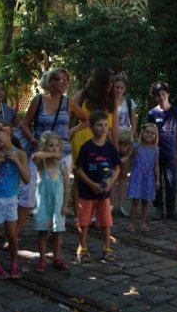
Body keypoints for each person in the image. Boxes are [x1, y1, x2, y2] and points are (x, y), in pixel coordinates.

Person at [19, 68, 85, 237]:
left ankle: (53, 230)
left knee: (57, 192)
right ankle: (14, 234)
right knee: (30, 192)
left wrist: (72, 131)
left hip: (62, 155)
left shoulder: (68, 102)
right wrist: (33, 140)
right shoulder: (38, 100)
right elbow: (25, 124)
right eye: (59, 79)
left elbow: (87, 119)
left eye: (66, 80)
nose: (63, 82)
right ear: (49, 81)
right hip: (39, 156)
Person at [0, 121, 30, 279]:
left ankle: (14, 264)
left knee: (12, 234)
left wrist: (15, 160)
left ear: (8, 131)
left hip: (10, 198)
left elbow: (27, 179)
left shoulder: (20, 153)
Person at [70, 67, 119, 219]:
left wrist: (115, 149)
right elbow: (66, 110)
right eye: (108, 82)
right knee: (81, 177)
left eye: (112, 82)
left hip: (103, 142)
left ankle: (99, 216)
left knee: (102, 176)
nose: (111, 85)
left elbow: (114, 128)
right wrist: (72, 130)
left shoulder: (112, 101)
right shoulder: (83, 95)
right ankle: (80, 217)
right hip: (81, 140)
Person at [74, 110, 121, 263]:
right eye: (99, 125)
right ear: (91, 128)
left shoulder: (110, 148)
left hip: (104, 193)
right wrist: (91, 184)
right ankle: (82, 247)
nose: (103, 128)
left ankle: (106, 247)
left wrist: (110, 183)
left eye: (106, 125)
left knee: (106, 222)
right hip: (87, 192)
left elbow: (117, 167)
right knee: (84, 221)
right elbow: (78, 169)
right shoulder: (86, 148)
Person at [32, 131, 71, 273]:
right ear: (44, 147)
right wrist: (50, 154)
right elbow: (35, 156)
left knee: (57, 233)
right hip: (43, 205)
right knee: (42, 232)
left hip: (57, 205)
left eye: (56, 146)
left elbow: (66, 187)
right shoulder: (41, 164)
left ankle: (57, 258)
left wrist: (66, 205)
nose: (54, 149)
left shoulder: (62, 166)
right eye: (50, 146)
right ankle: (42, 259)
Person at [147, 81, 177, 221]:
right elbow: (148, 133)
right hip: (155, 153)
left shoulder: (176, 112)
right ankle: (158, 209)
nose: (161, 97)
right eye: (158, 95)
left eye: (163, 93)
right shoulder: (152, 113)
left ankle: (171, 210)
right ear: (155, 97)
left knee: (171, 181)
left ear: (168, 94)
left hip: (171, 153)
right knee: (156, 181)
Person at [126, 122, 159, 233]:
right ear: (142, 133)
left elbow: (156, 165)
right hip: (137, 177)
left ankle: (143, 223)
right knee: (135, 201)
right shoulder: (136, 146)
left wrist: (158, 180)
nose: (149, 134)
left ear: (155, 136)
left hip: (148, 178)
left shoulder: (155, 150)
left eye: (152, 133)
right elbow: (128, 158)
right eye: (147, 132)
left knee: (145, 202)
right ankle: (131, 223)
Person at [112, 74, 137, 215]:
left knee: (123, 174)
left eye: (121, 87)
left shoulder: (129, 102)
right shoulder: (108, 101)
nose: (119, 90)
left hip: (126, 138)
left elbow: (133, 122)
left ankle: (120, 205)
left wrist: (130, 138)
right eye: (117, 87)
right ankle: (109, 206)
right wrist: (113, 142)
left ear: (125, 88)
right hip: (112, 138)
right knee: (111, 173)